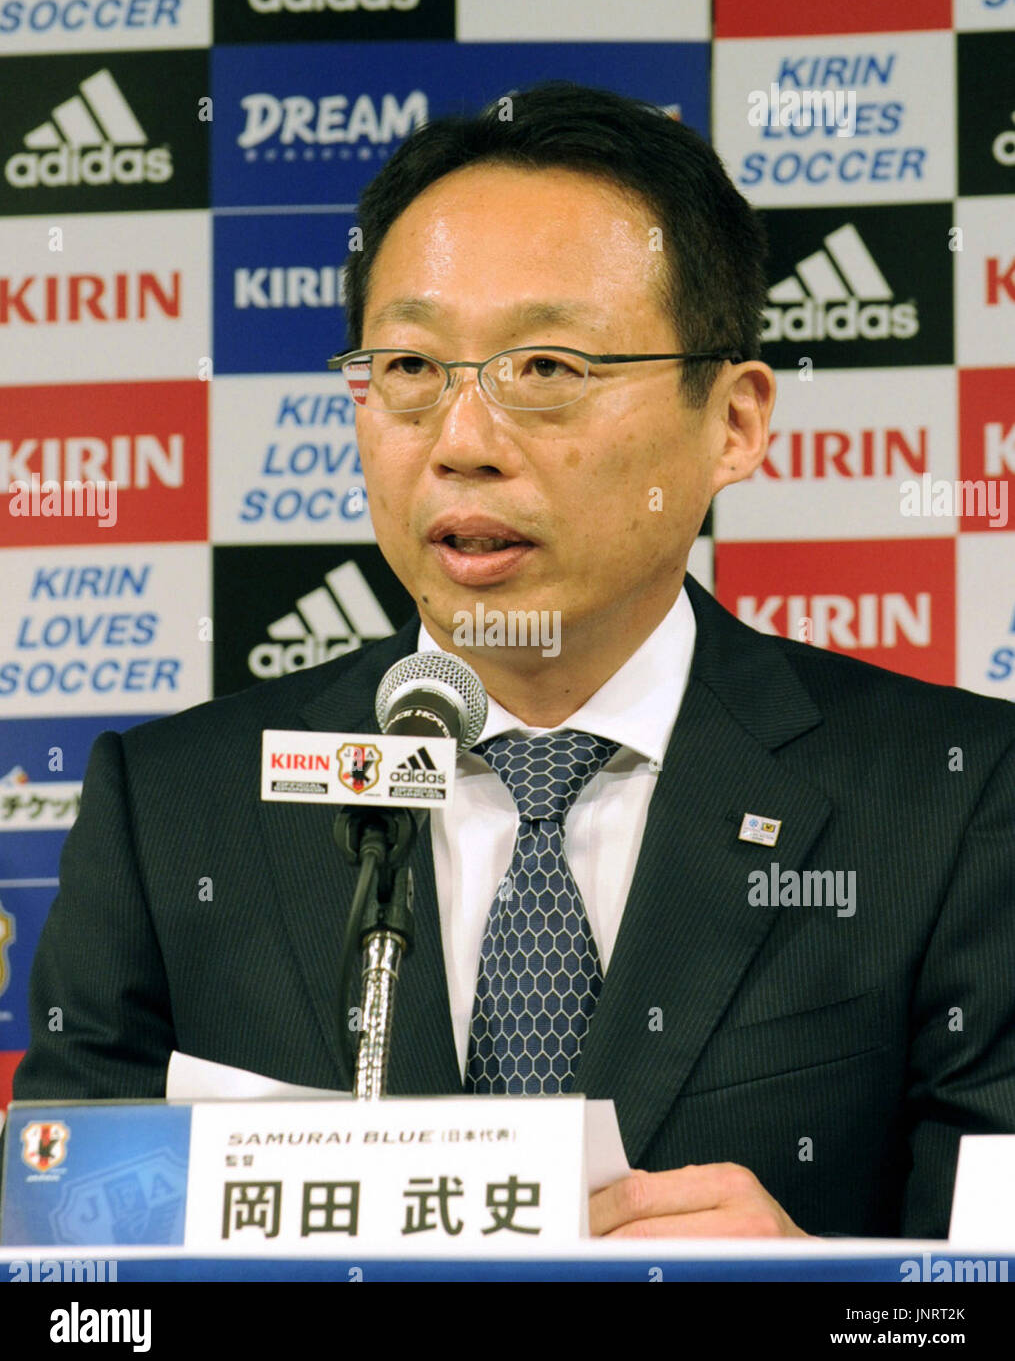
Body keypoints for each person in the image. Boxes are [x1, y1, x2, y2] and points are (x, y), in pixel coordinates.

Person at [13, 83, 1015, 1240]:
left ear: (732, 422)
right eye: (410, 368)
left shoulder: (951, 798)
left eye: (546, 368)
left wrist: (814, 1293)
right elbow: (70, 1279)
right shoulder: (175, 811)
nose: (461, 442)